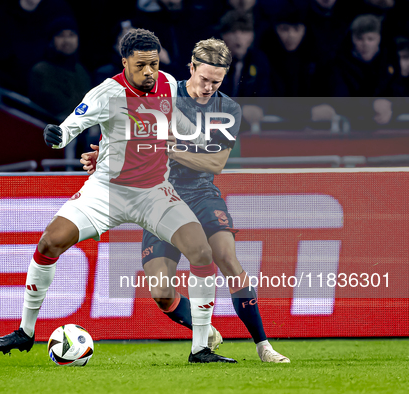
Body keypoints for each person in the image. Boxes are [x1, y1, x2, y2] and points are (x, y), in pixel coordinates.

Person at [0, 29, 236, 364]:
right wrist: (57, 136)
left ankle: (201, 348)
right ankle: (25, 332)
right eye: (140, 66)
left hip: (154, 193)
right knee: (49, 242)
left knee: (201, 251)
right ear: (124, 64)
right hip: (107, 191)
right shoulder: (108, 92)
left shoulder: (168, 85)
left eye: (153, 63)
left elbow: (176, 122)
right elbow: (71, 125)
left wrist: (194, 136)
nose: (149, 72)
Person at [81, 38, 290, 363]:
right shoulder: (160, 93)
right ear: (190, 68)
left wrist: (171, 147)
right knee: (162, 294)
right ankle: (203, 330)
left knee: (227, 259)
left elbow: (215, 163)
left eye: (216, 82)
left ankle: (263, 346)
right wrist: (103, 157)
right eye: (203, 79)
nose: (208, 87)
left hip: (200, 194)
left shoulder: (227, 109)